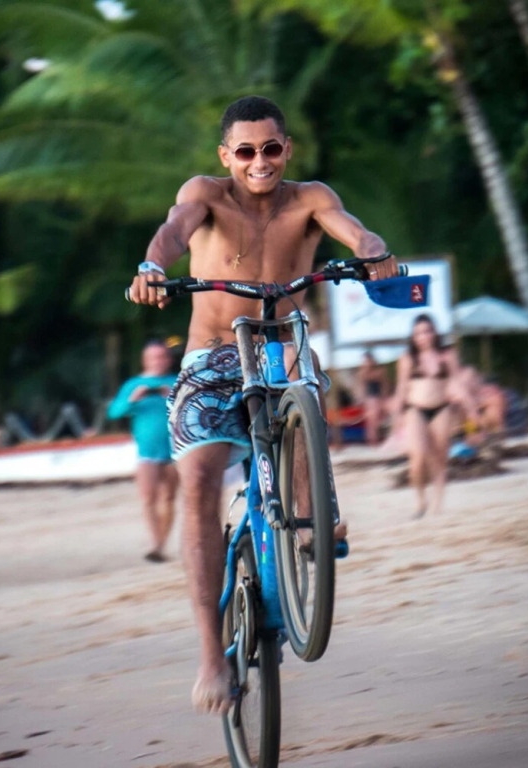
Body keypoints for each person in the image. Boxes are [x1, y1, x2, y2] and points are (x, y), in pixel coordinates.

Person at [127, 96, 398, 714]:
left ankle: (312, 515)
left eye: (271, 148)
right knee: (198, 482)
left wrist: (373, 249)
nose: (259, 162)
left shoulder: (309, 199)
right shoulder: (206, 194)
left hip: (283, 347)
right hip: (214, 356)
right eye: (245, 151)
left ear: (287, 149)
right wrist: (151, 265)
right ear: (226, 155)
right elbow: (174, 232)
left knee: (304, 383)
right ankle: (209, 656)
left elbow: (352, 229)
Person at [392, 314, 478, 519]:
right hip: (416, 409)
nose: (424, 336)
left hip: (441, 408)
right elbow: (402, 389)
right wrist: (396, 417)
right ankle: (421, 501)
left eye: (427, 331)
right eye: (419, 333)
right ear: (413, 337)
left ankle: (437, 504)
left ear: (434, 332)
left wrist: (471, 409)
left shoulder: (446, 355)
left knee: (439, 458)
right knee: (418, 458)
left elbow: (457, 383)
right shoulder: (408, 358)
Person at [107, 340, 179, 563]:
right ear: (145, 360)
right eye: (154, 357)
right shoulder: (133, 384)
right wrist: (132, 399)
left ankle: (162, 543)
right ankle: (155, 544)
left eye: (162, 357)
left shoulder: (176, 381)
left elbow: (191, 408)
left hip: (175, 451)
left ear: (168, 359)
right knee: (148, 499)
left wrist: (172, 396)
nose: (158, 361)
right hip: (146, 452)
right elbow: (114, 413)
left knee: (168, 498)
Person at [357, 351, 389, 446]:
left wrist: (384, 397)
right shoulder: (362, 373)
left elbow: (384, 385)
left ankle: (376, 438)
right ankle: (372, 440)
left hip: (377, 397)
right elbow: (361, 387)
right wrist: (361, 399)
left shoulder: (379, 372)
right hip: (369, 399)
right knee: (371, 420)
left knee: (377, 419)